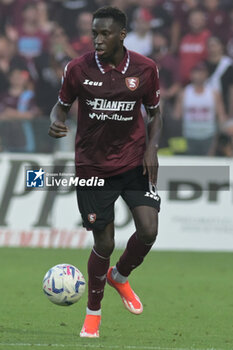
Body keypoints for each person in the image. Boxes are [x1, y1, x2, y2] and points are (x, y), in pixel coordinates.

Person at [48, 6, 162, 338]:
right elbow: (61, 103)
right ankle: (93, 315)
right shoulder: (78, 68)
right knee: (105, 241)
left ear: (121, 35)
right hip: (92, 166)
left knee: (149, 230)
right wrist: (56, 119)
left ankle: (120, 276)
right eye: (94, 33)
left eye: (104, 34)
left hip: (132, 161)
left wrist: (152, 149)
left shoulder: (145, 68)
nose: (97, 39)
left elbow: (155, 114)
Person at [174, 62, 226, 155]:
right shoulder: (184, 93)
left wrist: (218, 139)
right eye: (196, 72)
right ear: (191, 75)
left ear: (207, 74)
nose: (199, 75)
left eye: (202, 72)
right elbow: (177, 117)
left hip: (209, 137)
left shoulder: (214, 94)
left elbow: (221, 117)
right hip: (189, 137)